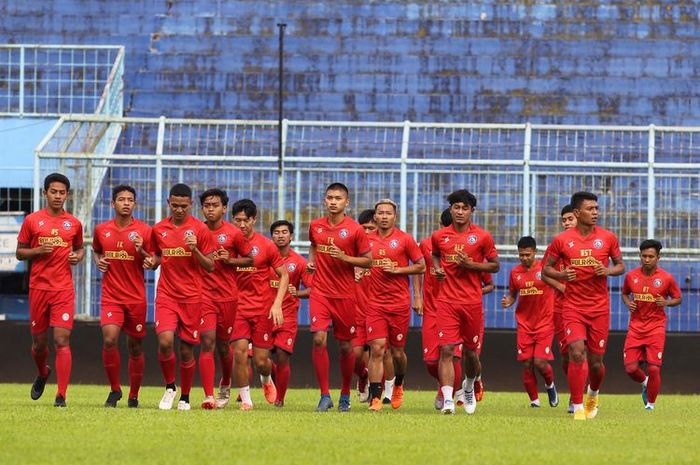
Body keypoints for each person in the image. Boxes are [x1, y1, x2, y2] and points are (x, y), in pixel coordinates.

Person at [543, 191, 625, 421]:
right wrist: (562, 274)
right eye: (590, 209)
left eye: (596, 208)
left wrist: (607, 270)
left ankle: (593, 393)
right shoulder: (562, 240)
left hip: (599, 308)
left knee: (596, 363)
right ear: (577, 213)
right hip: (573, 307)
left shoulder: (607, 237)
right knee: (576, 353)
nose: (595, 212)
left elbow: (621, 266)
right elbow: (545, 270)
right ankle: (577, 406)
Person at [17, 173, 84, 407]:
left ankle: (61, 395)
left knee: (62, 339)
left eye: (62, 192)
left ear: (67, 194)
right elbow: (20, 252)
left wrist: (77, 256)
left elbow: (80, 249)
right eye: (53, 191)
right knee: (39, 345)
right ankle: (43, 372)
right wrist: (37, 251)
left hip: (63, 289)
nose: (57, 196)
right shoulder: (32, 221)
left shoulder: (73, 223)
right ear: (45, 193)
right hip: (38, 288)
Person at [431, 190, 499, 414]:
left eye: (465, 208)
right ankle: (449, 399)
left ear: (472, 211)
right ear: (451, 209)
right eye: (456, 208)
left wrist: (472, 265)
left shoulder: (482, 237)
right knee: (446, 350)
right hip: (447, 302)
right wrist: (439, 270)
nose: (460, 212)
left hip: (471, 303)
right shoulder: (440, 236)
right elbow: (435, 255)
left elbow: (495, 265)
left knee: (471, 353)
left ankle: (469, 385)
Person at [151, 183, 216, 411]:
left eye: (184, 206)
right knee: (165, 342)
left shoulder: (200, 230)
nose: (179, 210)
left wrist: (195, 250)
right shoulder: (159, 229)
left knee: (187, 350)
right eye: (175, 205)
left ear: (190, 205)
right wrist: (152, 262)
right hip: (167, 295)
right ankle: (170, 386)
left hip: (192, 298)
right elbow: (156, 256)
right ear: (169, 203)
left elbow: (210, 266)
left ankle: (185, 397)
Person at [307, 182, 372, 412]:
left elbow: (368, 260)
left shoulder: (355, 229)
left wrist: (345, 258)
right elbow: (314, 246)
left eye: (338, 198)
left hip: (345, 295)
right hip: (321, 292)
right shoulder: (315, 226)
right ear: (325, 200)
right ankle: (325, 395)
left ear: (347, 202)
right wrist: (312, 260)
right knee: (318, 339)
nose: (333, 201)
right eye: (330, 197)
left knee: (347, 349)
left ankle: (345, 393)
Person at [92, 184, 154, 408]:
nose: (126, 203)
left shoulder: (145, 231)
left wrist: (143, 253)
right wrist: (99, 261)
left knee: (135, 347)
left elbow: (154, 262)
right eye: (121, 199)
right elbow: (97, 250)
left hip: (136, 297)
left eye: (130, 199)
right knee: (109, 340)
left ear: (135, 204)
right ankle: (115, 390)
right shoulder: (102, 230)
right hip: (111, 296)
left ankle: (134, 395)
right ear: (113, 203)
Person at [365, 199, 425, 411]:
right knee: (377, 349)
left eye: (387, 213)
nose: (383, 216)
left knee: (398, 352)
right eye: (380, 213)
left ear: (394, 216)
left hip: (398, 304)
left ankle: (399, 382)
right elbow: (357, 262)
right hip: (374, 304)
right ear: (375, 216)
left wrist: (399, 270)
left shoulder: (405, 240)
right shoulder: (366, 240)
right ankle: (375, 398)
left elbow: (421, 266)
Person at [230, 199, 288, 411]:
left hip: (262, 308)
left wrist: (277, 304)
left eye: (246, 220)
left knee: (262, 361)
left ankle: (266, 379)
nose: (242, 225)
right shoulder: (228, 245)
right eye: (237, 220)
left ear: (254, 220)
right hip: (237, 308)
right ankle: (246, 400)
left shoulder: (266, 245)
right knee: (239, 352)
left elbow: (284, 275)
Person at [198, 189, 253, 409]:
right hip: (203, 296)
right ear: (202, 207)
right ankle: (208, 395)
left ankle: (226, 381)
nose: (211, 209)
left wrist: (229, 260)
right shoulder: (196, 230)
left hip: (228, 297)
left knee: (223, 347)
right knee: (207, 341)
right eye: (207, 205)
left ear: (224, 208)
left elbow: (250, 260)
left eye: (215, 205)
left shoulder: (233, 233)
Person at [621, 239, 681, 411]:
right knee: (631, 368)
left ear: (658, 257)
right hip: (636, 327)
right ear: (640, 256)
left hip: (656, 327)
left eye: (650, 256)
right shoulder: (631, 276)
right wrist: (628, 303)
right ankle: (646, 382)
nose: (647, 259)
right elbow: (625, 293)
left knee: (654, 368)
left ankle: (650, 405)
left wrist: (666, 302)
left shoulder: (666, 278)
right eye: (644, 256)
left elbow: (678, 298)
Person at [415, 208, 465, 410]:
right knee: (430, 361)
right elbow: (419, 269)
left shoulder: (467, 244)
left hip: (455, 306)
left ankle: (446, 395)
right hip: (432, 308)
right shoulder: (427, 244)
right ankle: (450, 385)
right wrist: (417, 296)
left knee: (453, 355)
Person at [501, 236, 559, 408]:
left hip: (545, 322)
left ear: (535, 252)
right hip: (525, 324)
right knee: (527, 363)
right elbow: (513, 294)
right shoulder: (515, 273)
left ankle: (550, 385)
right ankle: (534, 401)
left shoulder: (545, 269)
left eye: (528, 254)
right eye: (521, 255)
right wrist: (509, 301)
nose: (525, 258)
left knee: (540, 362)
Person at [269, 220, 312, 407]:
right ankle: (267, 382)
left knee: (282, 355)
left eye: (284, 232)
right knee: (260, 358)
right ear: (272, 236)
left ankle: (280, 399)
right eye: (276, 232)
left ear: (291, 236)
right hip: (264, 313)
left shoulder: (299, 262)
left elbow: (313, 288)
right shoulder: (264, 259)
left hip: (287, 315)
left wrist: (298, 293)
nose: (280, 235)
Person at [549, 204, 577, 412]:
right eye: (564, 220)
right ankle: (575, 393)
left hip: (589, 305)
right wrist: (561, 285)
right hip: (562, 307)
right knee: (567, 354)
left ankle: (587, 393)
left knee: (588, 354)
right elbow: (543, 273)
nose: (566, 223)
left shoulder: (595, 243)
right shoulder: (559, 244)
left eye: (570, 219)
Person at [352, 209, 376, 403]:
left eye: (371, 228)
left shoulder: (384, 250)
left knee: (379, 352)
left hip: (378, 310)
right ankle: (362, 376)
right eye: (364, 227)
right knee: (355, 356)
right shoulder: (351, 250)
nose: (368, 231)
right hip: (355, 312)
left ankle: (378, 395)